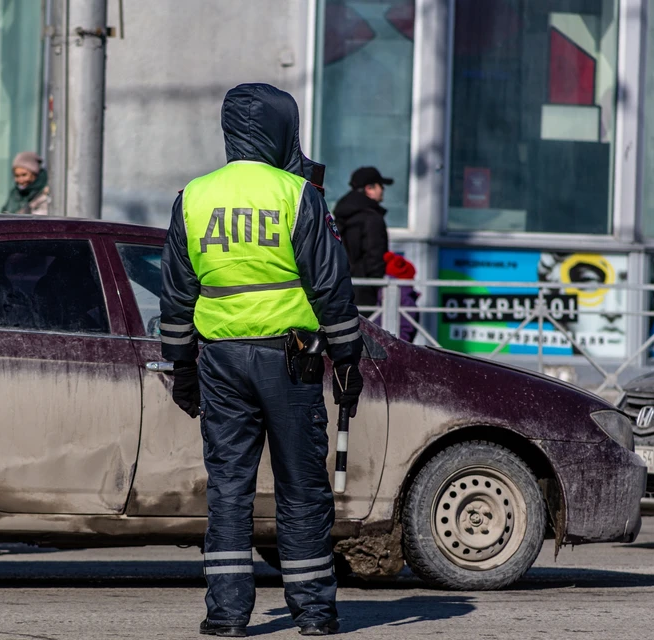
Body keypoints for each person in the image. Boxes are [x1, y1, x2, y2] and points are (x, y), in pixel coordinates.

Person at [160, 83, 364, 637]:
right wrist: (348, 357)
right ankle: (315, 613)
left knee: (229, 487)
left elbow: (176, 296)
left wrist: (180, 367)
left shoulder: (194, 197)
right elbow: (330, 286)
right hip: (290, 360)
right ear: (281, 131)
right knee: (302, 486)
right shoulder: (298, 195)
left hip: (219, 361)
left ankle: (225, 615)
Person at [332, 166, 392, 315]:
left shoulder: (341, 215)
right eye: (380, 186)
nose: (382, 190)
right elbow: (375, 257)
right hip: (364, 292)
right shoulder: (372, 218)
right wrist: (378, 286)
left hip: (338, 288)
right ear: (369, 189)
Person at [378, 251, 419, 343]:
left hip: (380, 341)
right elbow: (407, 328)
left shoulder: (382, 292)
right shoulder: (407, 298)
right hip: (398, 345)